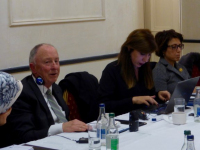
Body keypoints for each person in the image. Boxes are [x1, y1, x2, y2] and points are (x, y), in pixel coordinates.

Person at [3, 44, 87, 146]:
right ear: (33, 68)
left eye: (56, 61)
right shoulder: (22, 93)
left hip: (68, 142)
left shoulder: (56, 88)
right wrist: (61, 128)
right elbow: (24, 136)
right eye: (48, 62)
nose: (55, 67)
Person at [98, 29, 170, 116]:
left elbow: (148, 97)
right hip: (121, 122)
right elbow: (104, 106)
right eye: (142, 54)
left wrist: (158, 95)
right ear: (130, 48)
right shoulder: (112, 70)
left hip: (143, 118)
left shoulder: (146, 68)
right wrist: (133, 100)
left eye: (149, 55)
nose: (146, 59)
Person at [153, 29, 190, 95]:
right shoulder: (159, 70)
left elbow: (191, 86)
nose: (179, 50)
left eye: (180, 46)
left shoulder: (181, 67)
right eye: (174, 47)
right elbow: (162, 99)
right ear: (163, 49)